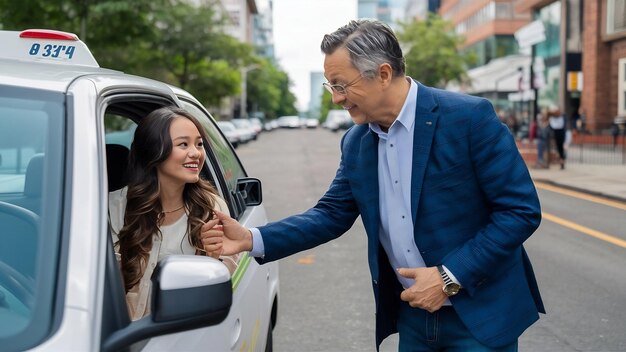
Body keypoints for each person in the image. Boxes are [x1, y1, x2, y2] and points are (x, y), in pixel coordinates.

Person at [204, 19, 544, 351]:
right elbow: (331, 214)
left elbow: (519, 211)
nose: (336, 99)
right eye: (330, 87)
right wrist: (251, 239)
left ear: (382, 74)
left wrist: (448, 277)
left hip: (479, 316)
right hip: (413, 315)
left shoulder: (468, 118)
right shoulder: (356, 142)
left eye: (340, 85)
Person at [109, 106, 228, 320]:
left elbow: (222, 289)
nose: (196, 153)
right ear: (153, 150)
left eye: (199, 144)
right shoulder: (112, 208)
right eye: (183, 144)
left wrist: (212, 259)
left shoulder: (212, 209)